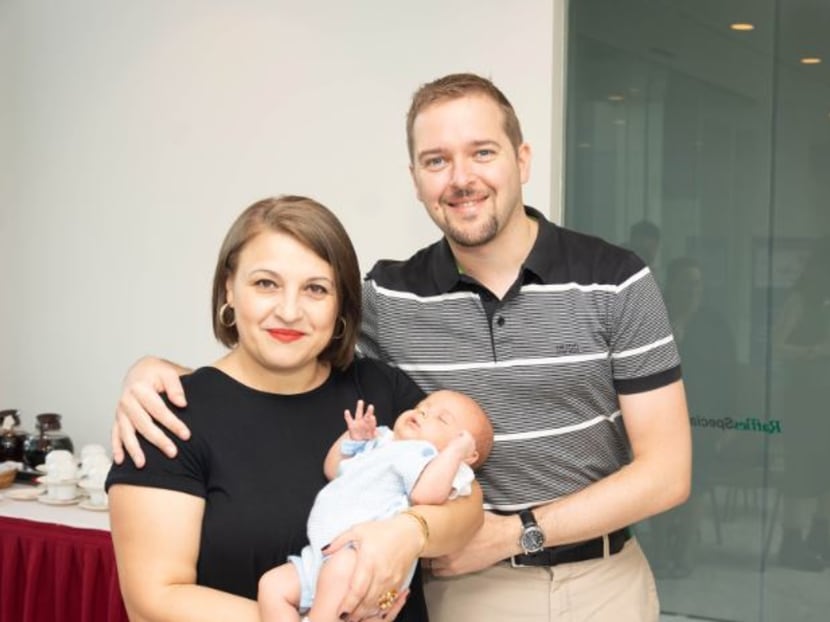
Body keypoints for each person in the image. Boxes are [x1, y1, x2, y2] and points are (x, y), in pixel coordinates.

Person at [112, 73, 691, 621]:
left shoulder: (615, 279)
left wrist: (513, 532)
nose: (460, 178)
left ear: (523, 159)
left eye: (482, 152)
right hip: (460, 590)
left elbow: (667, 472)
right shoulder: (388, 296)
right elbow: (282, 356)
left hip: (598, 580)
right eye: (436, 161)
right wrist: (158, 373)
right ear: (415, 178)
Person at [105, 196, 484, 622]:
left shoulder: (380, 388)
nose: (289, 311)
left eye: (316, 289)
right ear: (228, 287)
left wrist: (409, 534)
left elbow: (467, 506)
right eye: (266, 283)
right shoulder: (169, 414)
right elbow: (153, 599)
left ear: (341, 304)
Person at [259, 391, 493, 622]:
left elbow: (425, 496)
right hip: (320, 553)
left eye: (442, 419)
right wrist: (353, 439)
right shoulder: (381, 439)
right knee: (272, 585)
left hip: (362, 560)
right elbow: (333, 469)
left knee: (336, 577)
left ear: (467, 454)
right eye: (423, 406)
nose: (423, 413)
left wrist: (453, 454)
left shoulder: (432, 460)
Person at [648, 257, 736, 578]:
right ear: (673, 286)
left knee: (695, 485)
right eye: (686, 283)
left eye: (698, 284)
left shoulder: (714, 325)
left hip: (703, 419)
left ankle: (685, 549)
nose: (693, 290)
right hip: (659, 417)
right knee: (658, 482)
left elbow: (729, 375)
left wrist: (728, 421)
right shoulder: (658, 321)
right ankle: (659, 548)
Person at [772, 236, 830, 571]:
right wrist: (815, 352)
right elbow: (777, 345)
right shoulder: (800, 298)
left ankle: (820, 538)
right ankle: (792, 543)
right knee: (800, 471)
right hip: (805, 398)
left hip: (825, 398)